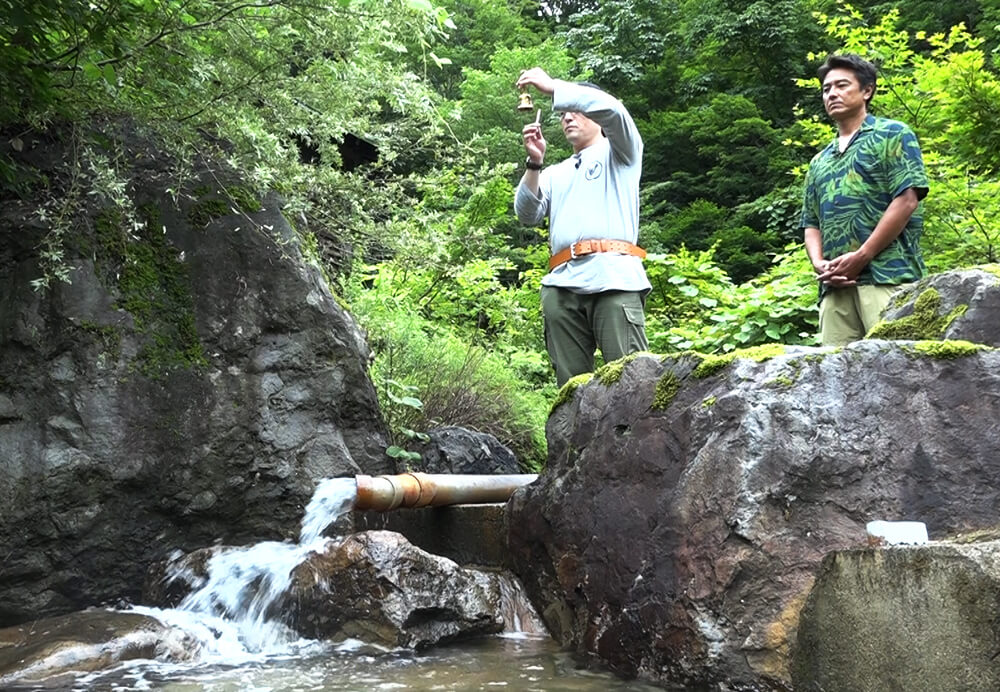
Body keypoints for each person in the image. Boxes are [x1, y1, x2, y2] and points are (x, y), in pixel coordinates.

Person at [514, 68, 651, 386]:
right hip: (562, 285)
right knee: (572, 392)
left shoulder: (622, 154)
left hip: (614, 280)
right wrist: (535, 163)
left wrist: (553, 89)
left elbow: (614, 110)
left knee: (633, 385)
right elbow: (526, 213)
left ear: (595, 115)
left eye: (576, 110)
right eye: (563, 115)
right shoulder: (556, 172)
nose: (567, 118)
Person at [800, 53, 929, 347]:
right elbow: (810, 224)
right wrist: (820, 264)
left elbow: (907, 199)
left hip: (889, 277)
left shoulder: (892, 135)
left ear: (867, 90)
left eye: (842, 85)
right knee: (835, 382)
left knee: (900, 373)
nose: (832, 93)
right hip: (835, 290)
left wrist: (862, 256)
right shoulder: (819, 161)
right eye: (826, 88)